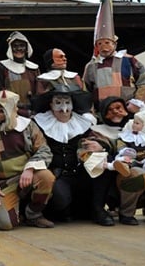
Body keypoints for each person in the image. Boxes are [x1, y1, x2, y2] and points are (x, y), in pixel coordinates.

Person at [33, 85, 115, 226]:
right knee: (61, 201)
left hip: (81, 173)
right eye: (58, 103)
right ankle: (65, 210)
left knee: (104, 163)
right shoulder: (40, 123)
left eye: (67, 103)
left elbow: (103, 140)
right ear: (51, 105)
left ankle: (98, 209)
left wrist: (101, 145)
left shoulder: (82, 123)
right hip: (57, 176)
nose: (63, 109)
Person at [0, 89, 55, 229]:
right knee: (6, 224)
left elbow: (44, 150)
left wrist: (30, 168)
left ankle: (33, 214)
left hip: (27, 176)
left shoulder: (28, 126)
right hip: (3, 184)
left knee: (46, 177)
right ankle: (8, 210)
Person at [0, 31, 40, 117]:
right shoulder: (2, 67)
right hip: (9, 113)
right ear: (10, 48)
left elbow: (38, 93)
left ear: (26, 48)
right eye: (15, 46)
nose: (19, 49)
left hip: (31, 113)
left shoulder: (34, 68)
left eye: (22, 45)